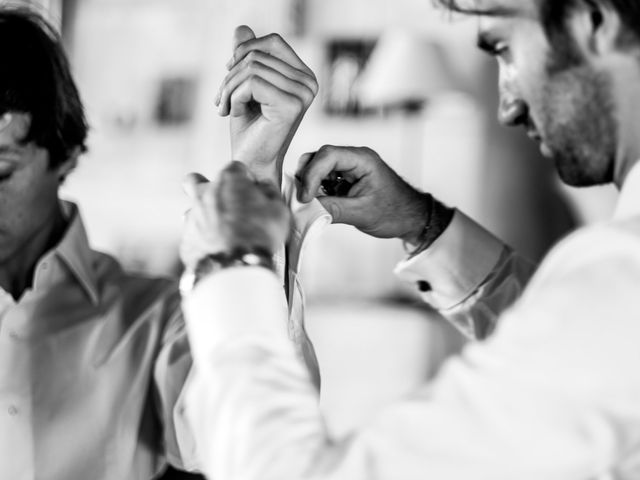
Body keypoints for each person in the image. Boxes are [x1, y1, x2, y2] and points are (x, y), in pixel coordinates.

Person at [179, 0, 640, 478]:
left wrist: (230, 267)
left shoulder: (619, 281)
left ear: (594, 22)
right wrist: (425, 224)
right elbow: (564, 351)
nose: (507, 106)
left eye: (503, 47)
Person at [0, 8, 318, 480]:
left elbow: (250, 448)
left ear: (64, 155)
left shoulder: (159, 318)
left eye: (2, 170)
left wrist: (256, 174)